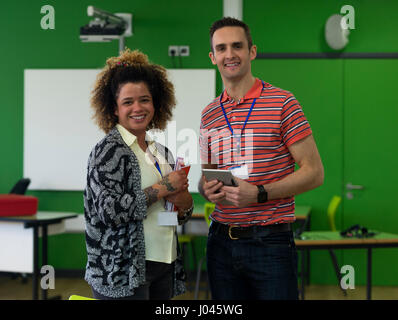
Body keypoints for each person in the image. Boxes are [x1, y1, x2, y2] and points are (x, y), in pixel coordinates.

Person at [198, 17, 324, 300]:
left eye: (237, 46)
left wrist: (259, 194)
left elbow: (315, 172)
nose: (229, 54)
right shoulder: (210, 113)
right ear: (212, 57)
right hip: (220, 242)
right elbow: (209, 174)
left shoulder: (283, 103)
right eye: (221, 48)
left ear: (252, 51)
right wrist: (205, 188)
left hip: (270, 243)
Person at [84, 48, 194, 300]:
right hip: (123, 269)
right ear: (114, 109)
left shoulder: (161, 151)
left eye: (144, 99)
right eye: (128, 102)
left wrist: (184, 203)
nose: (138, 108)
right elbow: (109, 213)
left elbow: (178, 215)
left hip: (164, 261)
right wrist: (163, 187)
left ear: (155, 102)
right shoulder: (108, 152)